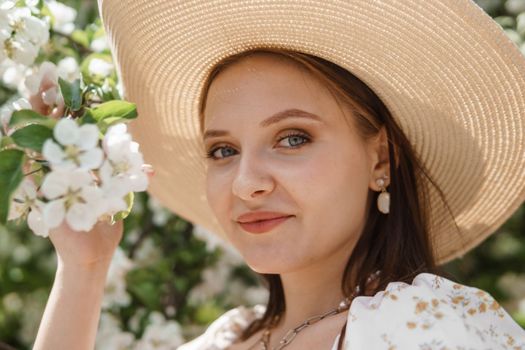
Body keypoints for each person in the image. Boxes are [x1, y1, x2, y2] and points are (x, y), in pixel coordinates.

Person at [33, 0, 525, 349]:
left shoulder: (420, 329)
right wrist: (84, 268)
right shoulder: (222, 342)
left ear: (381, 159)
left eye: (293, 138)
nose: (247, 183)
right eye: (222, 150)